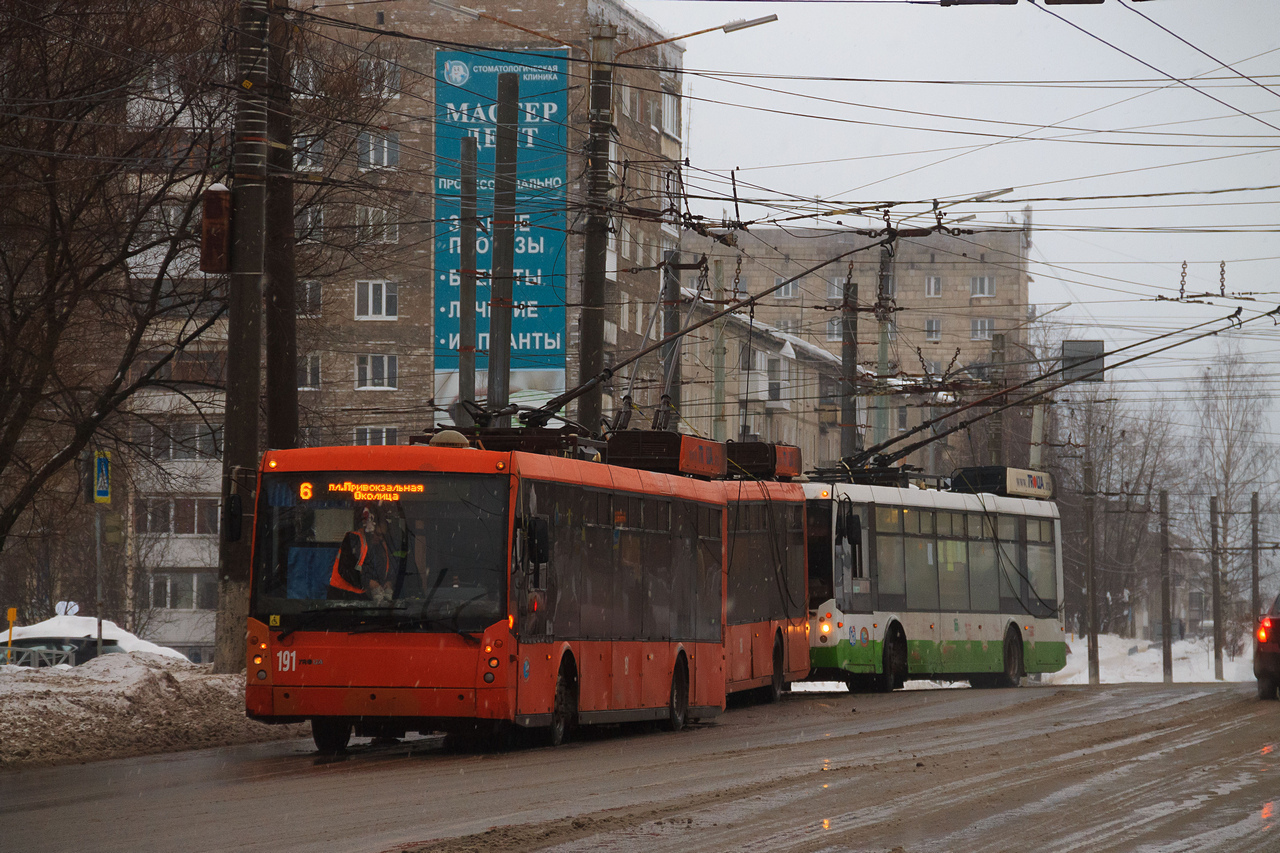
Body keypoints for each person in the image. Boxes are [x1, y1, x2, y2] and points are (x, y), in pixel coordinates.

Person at [327, 507, 394, 602]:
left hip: (364, 598)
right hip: (342, 597)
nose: (380, 538)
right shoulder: (353, 539)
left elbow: (389, 567)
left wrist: (389, 581)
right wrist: (368, 582)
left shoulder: (382, 545)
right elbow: (346, 571)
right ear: (370, 531)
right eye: (378, 534)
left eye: (383, 535)